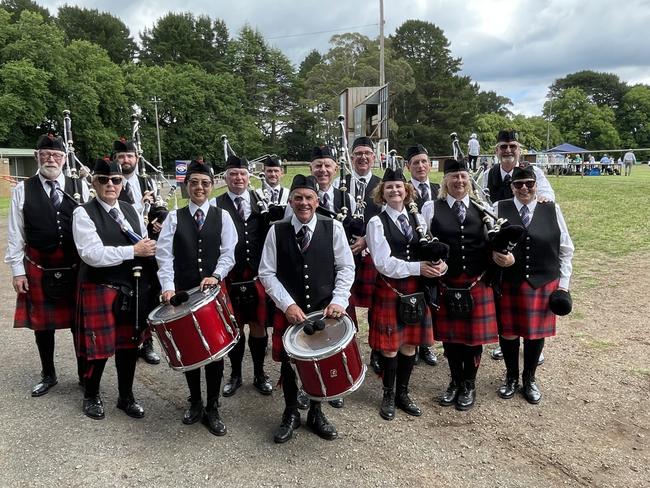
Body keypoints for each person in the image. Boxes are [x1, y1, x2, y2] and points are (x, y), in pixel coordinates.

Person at [259, 174, 355, 443]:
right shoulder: (276, 230)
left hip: (323, 310)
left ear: (318, 200)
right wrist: (286, 304)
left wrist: (339, 300)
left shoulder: (333, 227)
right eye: (298, 198)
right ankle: (290, 412)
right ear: (290, 201)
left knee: (319, 363)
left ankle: (316, 412)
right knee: (289, 365)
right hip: (290, 311)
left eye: (309, 198)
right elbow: (266, 273)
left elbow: (346, 267)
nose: (304, 203)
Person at [422, 159, 514, 410]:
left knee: (473, 340)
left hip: (477, 281)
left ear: (469, 181)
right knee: (451, 340)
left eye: (463, 176)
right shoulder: (431, 208)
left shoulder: (483, 208)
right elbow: (424, 241)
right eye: (454, 177)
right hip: (447, 283)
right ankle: (454, 381)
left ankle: (469, 384)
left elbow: (495, 241)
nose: (459, 181)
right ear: (446, 181)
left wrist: (502, 256)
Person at [156, 161, 237, 435]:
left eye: (204, 182)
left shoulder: (222, 216)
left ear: (212, 185)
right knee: (190, 348)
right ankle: (196, 401)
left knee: (215, 350)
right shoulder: (174, 217)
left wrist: (216, 274)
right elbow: (164, 256)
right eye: (194, 182)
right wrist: (167, 286)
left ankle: (213, 406)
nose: (199, 187)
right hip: (182, 293)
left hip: (212, 291)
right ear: (186, 185)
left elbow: (229, 253)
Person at [5, 134, 89, 396]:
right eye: (45, 153)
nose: (51, 158)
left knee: (80, 324)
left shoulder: (80, 187)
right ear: (37, 156)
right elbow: (15, 234)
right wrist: (18, 271)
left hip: (75, 268)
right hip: (39, 265)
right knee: (43, 326)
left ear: (64, 159)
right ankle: (48, 373)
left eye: (56, 154)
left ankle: (84, 375)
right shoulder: (22, 189)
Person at [73, 159, 156, 420]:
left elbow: (145, 244)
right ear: (93, 182)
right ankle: (91, 394)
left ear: (122, 183)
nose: (110, 184)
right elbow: (92, 254)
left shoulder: (131, 210)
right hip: (100, 285)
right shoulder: (83, 213)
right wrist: (133, 251)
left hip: (131, 286)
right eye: (104, 179)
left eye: (116, 180)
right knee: (99, 348)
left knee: (129, 344)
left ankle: (126, 397)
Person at [366, 167, 441, 420]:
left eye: (399, 187)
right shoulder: (377, 222)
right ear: (382, 193)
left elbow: (429, 248)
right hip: (391, 290)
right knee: (389, 348)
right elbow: (383, 263)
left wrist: (440, 264)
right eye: (389, 187)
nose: (394, 190)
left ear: (406, 191)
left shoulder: (417, 218)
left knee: (409, 345)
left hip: (415, 291)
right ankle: (388, 394)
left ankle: (403, 393)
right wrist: (418, 268)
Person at [493, 166, 574, 404]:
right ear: (512, 187)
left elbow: (566, 249)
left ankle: (529, 379)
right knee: (507, 333)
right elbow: (487, 241)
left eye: (529, 183)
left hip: (542, 282)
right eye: (519, 184)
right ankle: (510, 378)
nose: (524, 188)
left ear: (536, 184)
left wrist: (564, 285)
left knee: (535, 334)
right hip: (510, 282)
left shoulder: (552, 209)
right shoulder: (498, 208)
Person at [483, 130, 554, 363]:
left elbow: (547, 198)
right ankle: (507, 345)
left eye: (512, 146)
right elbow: (481, 202)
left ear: (519, 148)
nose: (508, 150)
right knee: (508, 305)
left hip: (531, 235)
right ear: (497, 150)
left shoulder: (535, 173)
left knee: (532, 294)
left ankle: (536, 344)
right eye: (503, 146)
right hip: (504, 239)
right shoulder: (487, 174)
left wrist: (540, 198)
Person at [214, 155, 273, 397]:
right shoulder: (216, 205)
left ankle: (259, 373)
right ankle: (236, 374)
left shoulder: (261, 199)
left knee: (259, 326)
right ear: (225, 177)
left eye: (242, 174)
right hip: (231, 274)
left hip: (257, 272)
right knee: (234, 327)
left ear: (249, 177)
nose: (238, 178)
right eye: (233, 174)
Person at [113, 138, 161, 365]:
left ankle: (147, 343)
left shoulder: (147, 180)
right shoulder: (111, 182)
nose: (125, 160)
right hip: (123, 250)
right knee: (125, 300)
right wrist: (140, 207)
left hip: (148, 250)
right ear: (116, 159)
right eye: (121, 157)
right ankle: (127, 342)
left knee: (148, 297)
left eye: (129, 156)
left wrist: (160, 219)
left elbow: (159, 209)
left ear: (137, 159)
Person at [339, 137, 383, 374]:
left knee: (378, 306)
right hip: (344, 257)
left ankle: (377, 350)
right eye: (358, 153)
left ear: (374, 157)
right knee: (345, 304)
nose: (363, 157)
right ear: (351, 157)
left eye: (367, 153)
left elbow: (389, 220)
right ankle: (348, 349)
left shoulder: (382, 184)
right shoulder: (340, 183)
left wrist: (367, 239)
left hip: (374, 256)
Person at [404, 144, 441, 366]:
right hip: (412, 254)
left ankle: (427, 345)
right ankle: (413, 345)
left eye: (424, 161)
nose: (420, 166)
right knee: (413, 300)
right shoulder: (402, 189)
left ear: (429, 164)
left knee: (431, 299)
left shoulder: (439, 188)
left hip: (435, 253)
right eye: (415, 162)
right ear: (408, 166)